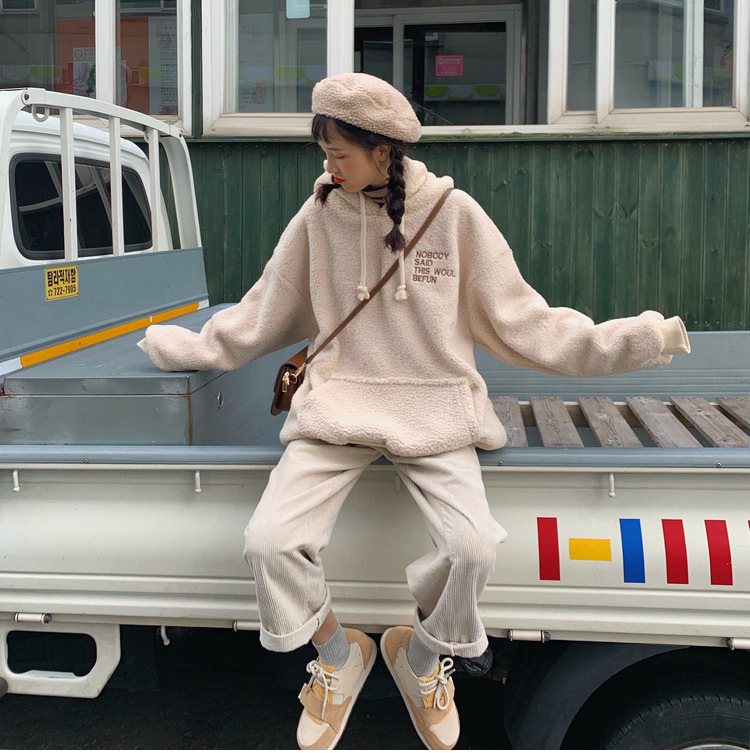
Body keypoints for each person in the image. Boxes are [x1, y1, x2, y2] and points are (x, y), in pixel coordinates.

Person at [138, 72, 690, 750]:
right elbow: (260, 314)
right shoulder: (317, 216)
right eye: (324, 152)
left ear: (384, 151)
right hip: (337, 405)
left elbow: (529, 324)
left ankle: (422, 656)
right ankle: (339, 654)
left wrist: (639, 340)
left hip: (437, 407)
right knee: (269, 543)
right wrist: (188, 347)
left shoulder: (454, 216)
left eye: (340, 153)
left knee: (472, 549)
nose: (328, 166)